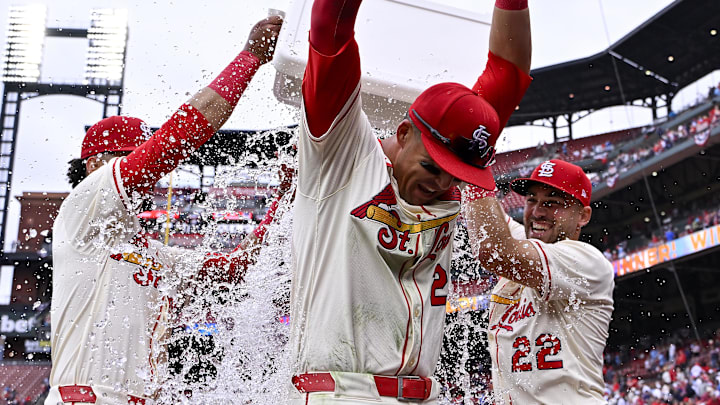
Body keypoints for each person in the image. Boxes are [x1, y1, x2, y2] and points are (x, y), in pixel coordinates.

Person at [289, 0, 531, 403]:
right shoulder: (341, 153)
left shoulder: (457, 153)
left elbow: (509, 70)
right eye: (432, 166)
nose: (442, 183)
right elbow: (331, 29)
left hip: (423, 395)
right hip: (341, 392)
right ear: (403, 133)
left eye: (455, 175)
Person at [46, 16, 285, 405]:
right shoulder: (83, 207)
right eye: (126, 158)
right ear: (93, 165)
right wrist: (249, 59)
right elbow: (178, 137)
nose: (145, 172)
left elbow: (239, 268)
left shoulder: (153, 254)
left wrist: (285, 196)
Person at [462, 159, 615, 404]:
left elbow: (494, 250)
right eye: (532, 199)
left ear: (583, 216)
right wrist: (466, 163)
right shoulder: (531, 242)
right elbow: (487, 216)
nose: (538, 211)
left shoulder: (586, 261)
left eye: (553, 203)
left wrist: (475, 167)